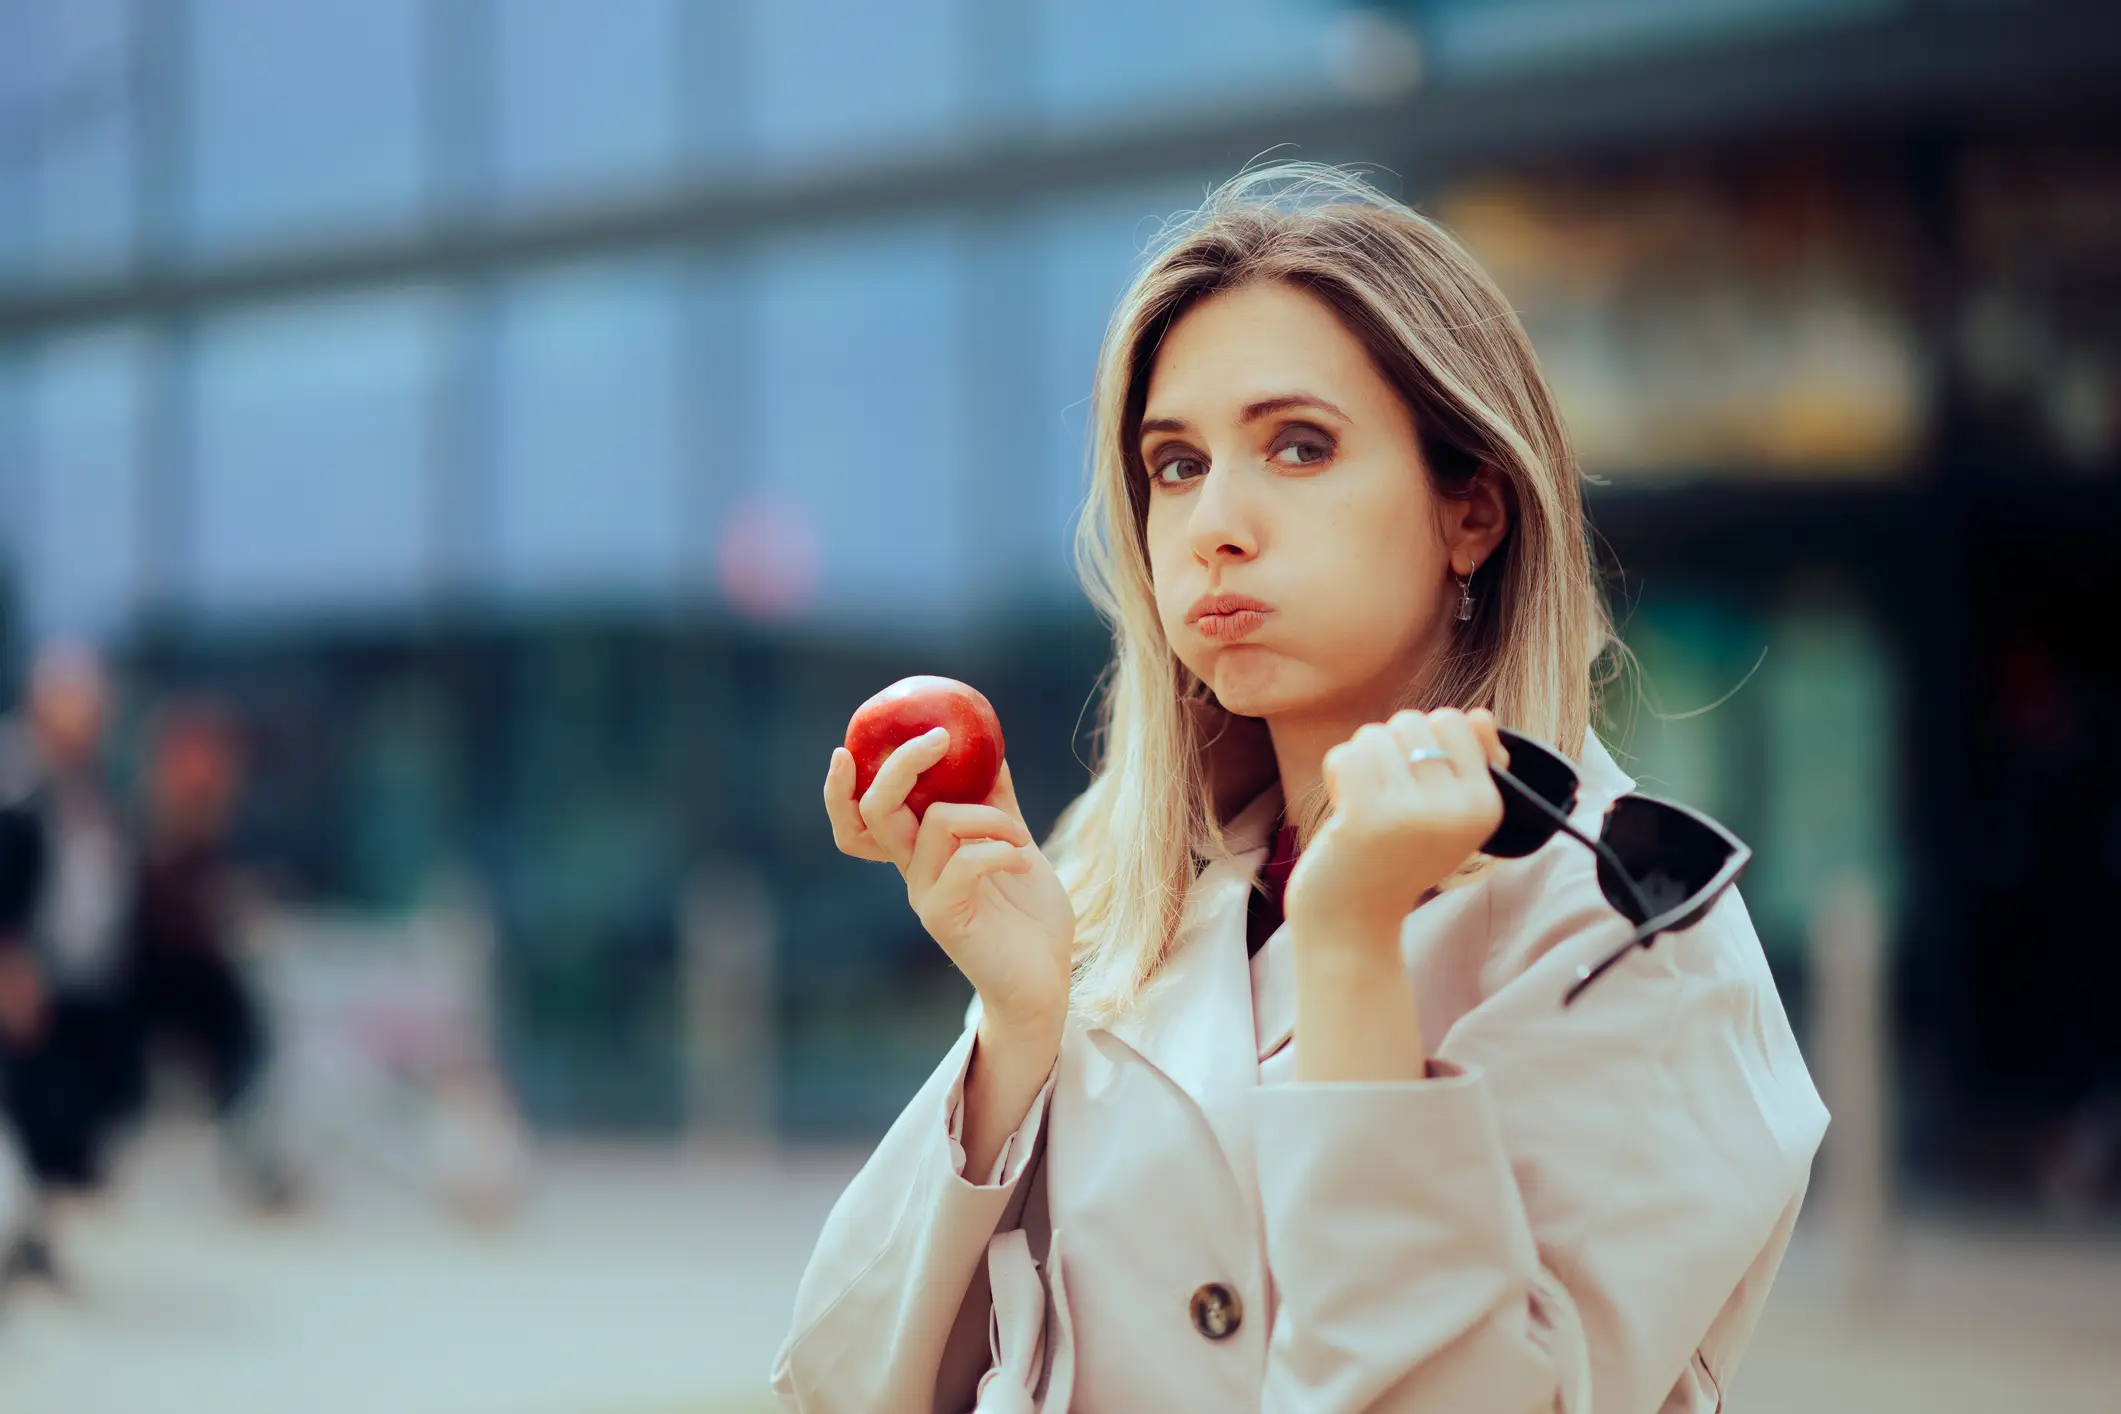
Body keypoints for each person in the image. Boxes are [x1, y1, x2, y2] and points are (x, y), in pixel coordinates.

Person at [771, 164, 1829, 1413]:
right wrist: (1015, 1029)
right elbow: (838, 1386)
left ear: (1473, 510)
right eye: (1174, 465)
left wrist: (1351, 945)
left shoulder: (1633, 928)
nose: (1217, 521)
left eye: (1298, 445)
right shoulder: (1118, 880)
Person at [0, 642, 135, 1285]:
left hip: (79, 979)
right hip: (27, 974)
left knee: (66, 1122)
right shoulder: (16, 781)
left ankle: (34, 1238)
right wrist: (10, 959)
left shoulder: (90, 786)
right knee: (30, 1109)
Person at [123, 701, 293, 1209]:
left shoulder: (212, 841)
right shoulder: (148, 834)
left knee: (249, 1034)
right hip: (147, 982)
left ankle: (247, 1148)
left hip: (198, 987)